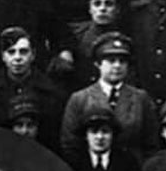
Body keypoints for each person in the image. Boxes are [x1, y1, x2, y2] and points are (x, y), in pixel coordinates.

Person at [60, 31, 159, 163]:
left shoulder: (141, 99)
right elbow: (70, 145)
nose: (117, 66)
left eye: (122, 61)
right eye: (111, 60)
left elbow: (151, 145)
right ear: (98, 64)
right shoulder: (80, 99)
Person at [0, 25, 64, 150]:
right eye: (11, 52)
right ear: (3, 56)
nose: (17, 58)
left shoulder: (50, 92)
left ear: (33, 55)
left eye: (23, 51)